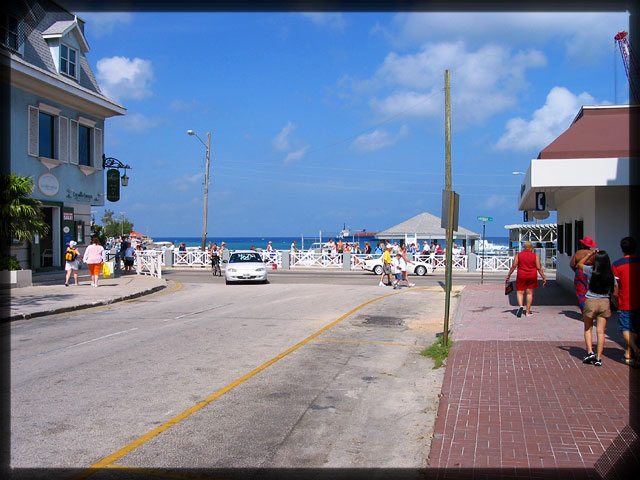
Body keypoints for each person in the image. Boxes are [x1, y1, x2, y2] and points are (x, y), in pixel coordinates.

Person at [577, 250, 616, 367]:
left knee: (588, 328)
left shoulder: (590, 271)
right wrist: (615, 301)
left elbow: (579, 264)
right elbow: (615, 290)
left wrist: (589, 254)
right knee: (601, 331)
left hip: (591, 301)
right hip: (604, 301)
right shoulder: (610, 274)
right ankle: (599, 357)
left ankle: (590, 352)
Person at [612, 237, 640, 366]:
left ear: (622, 249)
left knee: (626, 327)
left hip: (626, 301)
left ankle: (634, 349)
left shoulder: (617, 265)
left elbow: (616, 286)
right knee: (635, 328)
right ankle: (629, 352)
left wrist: (615, 299)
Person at [505, 241, 547, 318]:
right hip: (532, 276)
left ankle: (521, 306)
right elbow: (539, 268)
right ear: (531, 248)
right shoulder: (535, 256)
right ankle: (528, 312)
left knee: (520, 292)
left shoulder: (519, 255)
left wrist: (509, 275)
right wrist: (543, 277)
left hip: (521, 276)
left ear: (524, 248)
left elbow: (514, 266)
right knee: (529, 293)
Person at [570, 236, 597, 313]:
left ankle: (584, 311)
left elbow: (572, 264)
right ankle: (592, 311)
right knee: (592, 292)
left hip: (580, 273)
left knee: (581, 293)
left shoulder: (578, 253)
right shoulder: (594, 253)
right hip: (591, 272)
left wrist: (577, 271)